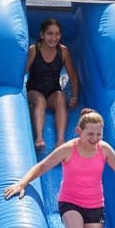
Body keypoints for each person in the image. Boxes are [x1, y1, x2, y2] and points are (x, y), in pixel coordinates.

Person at [25, 17, 79, 150]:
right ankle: (39, 138)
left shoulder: (63, 51)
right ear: (42, 35)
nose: (53, 38)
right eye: (49, 33)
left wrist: (74, 96)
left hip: (52, 92)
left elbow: (72, 76)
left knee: (61, 97)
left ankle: (60, 141)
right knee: (40, 100)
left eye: (57, 34)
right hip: (34, 90)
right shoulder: (34, 50)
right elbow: (23, 72)